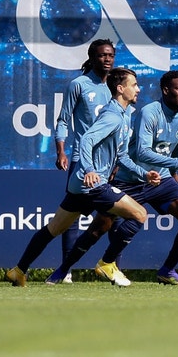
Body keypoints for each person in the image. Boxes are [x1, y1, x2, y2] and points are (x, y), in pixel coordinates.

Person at [46, 71, 178, 286]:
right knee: (98, 229)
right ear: (166, 90)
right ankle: (63, 270)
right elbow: (141, 152)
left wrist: (174, 168)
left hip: (161, 179)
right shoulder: (149, 112)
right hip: (131, 179)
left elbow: (175, 147)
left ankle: (166, 270)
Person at [6, 68, 159, 287]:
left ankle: (18, 271)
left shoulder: (124, 116)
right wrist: (88, 169)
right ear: (120, 88)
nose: (138, 89)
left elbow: (122, 155)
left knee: (54, 228)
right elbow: (86, 140)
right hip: (92, 182)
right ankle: (107, 263)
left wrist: (143, 173)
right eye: (134, 84)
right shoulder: (112, 116)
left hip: (81, 184)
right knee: (140, 214)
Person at [52, 38, 117, 283]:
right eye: (102, 55)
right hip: (83, 159)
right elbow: (63, 120)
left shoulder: (117, 86)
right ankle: (66, 271)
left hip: (110, 161)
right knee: (72, 216)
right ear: (92, 58)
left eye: (111, 55)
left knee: (112, 215)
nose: (107, 59)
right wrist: (61, 151)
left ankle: (111, 267)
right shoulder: (78, 84)